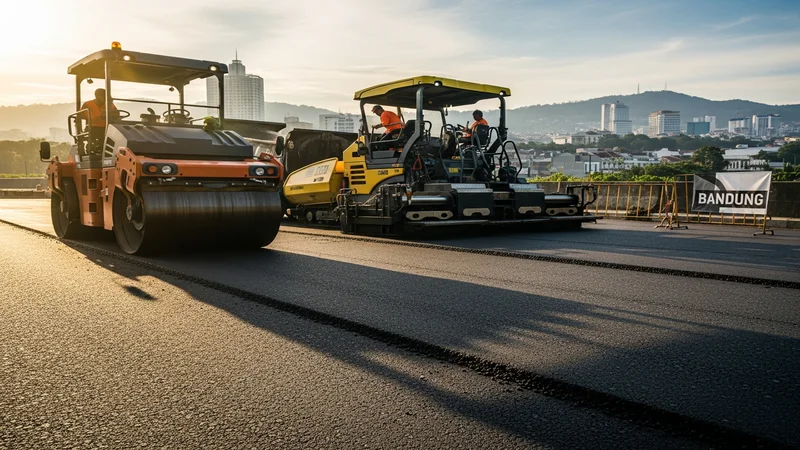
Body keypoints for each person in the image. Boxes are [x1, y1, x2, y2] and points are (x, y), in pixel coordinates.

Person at [79, 88, 119, 154]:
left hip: (106, 127)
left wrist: (111, 114)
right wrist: (92, 117)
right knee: (96, 135)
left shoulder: (109, 105)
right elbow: (80, 115)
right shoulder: (87, 104)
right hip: (92, 127)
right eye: (104, 96)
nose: (106, 98)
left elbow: (117, 114)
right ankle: (93, 149)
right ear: (97, 96)